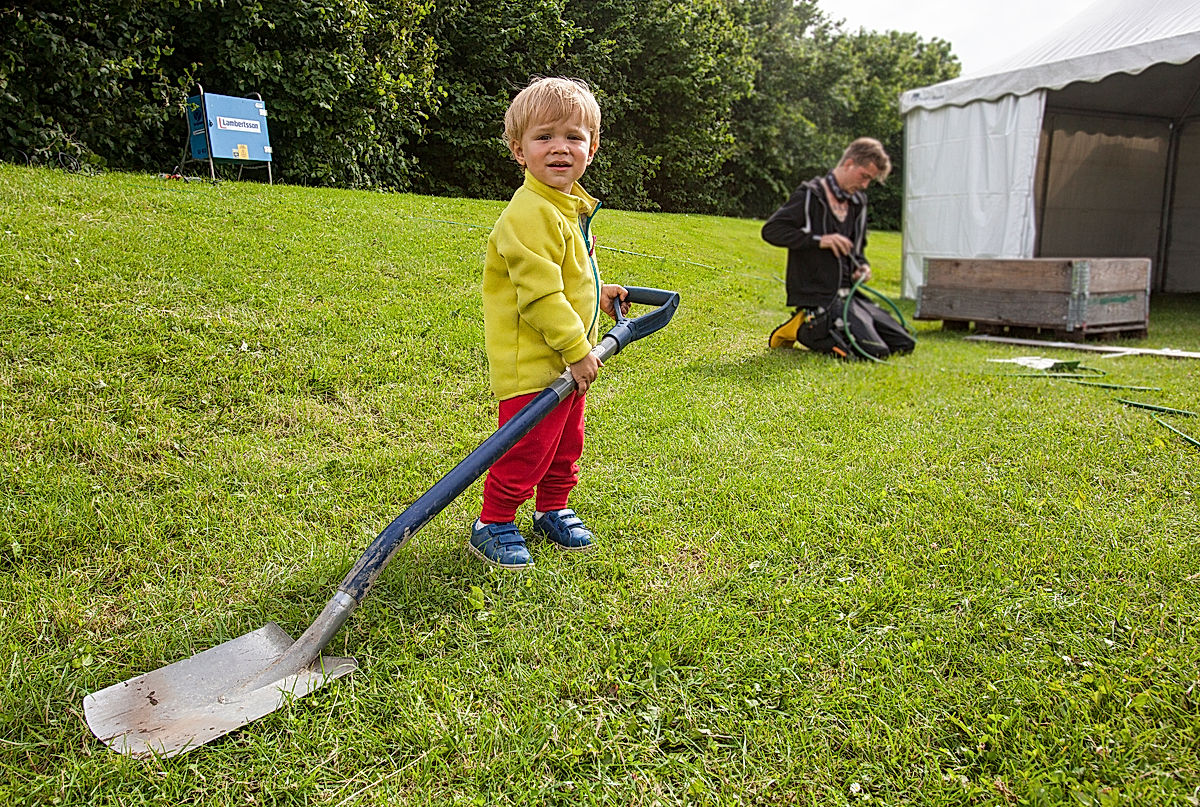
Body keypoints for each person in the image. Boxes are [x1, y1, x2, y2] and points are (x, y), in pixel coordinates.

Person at [470, 77, 628, 570]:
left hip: (568, 360)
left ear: (592, 147)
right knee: (527, 448)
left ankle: (552, 507)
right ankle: (492, 522)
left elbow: (566, 275)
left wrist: (597, 292)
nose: (560, 148)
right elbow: (539, 296)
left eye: (573, 137)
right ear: (519, 150)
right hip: (535, 364)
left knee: (565, 444)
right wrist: (578, 349)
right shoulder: (529, 213)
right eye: (544, 137)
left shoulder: (566, 208)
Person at [761, 137, 914, 360]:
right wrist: (819, 240)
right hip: (819, 294)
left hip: (849, 293)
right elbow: (772, 230)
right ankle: (801, 327)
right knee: (872, 352)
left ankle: (828, 324)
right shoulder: (810, 196)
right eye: (864, 176)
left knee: (904, 343)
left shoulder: (857, 202)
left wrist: (862, 267)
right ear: (849, 163)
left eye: (870, 180)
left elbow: (858, 250)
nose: (865, 185)